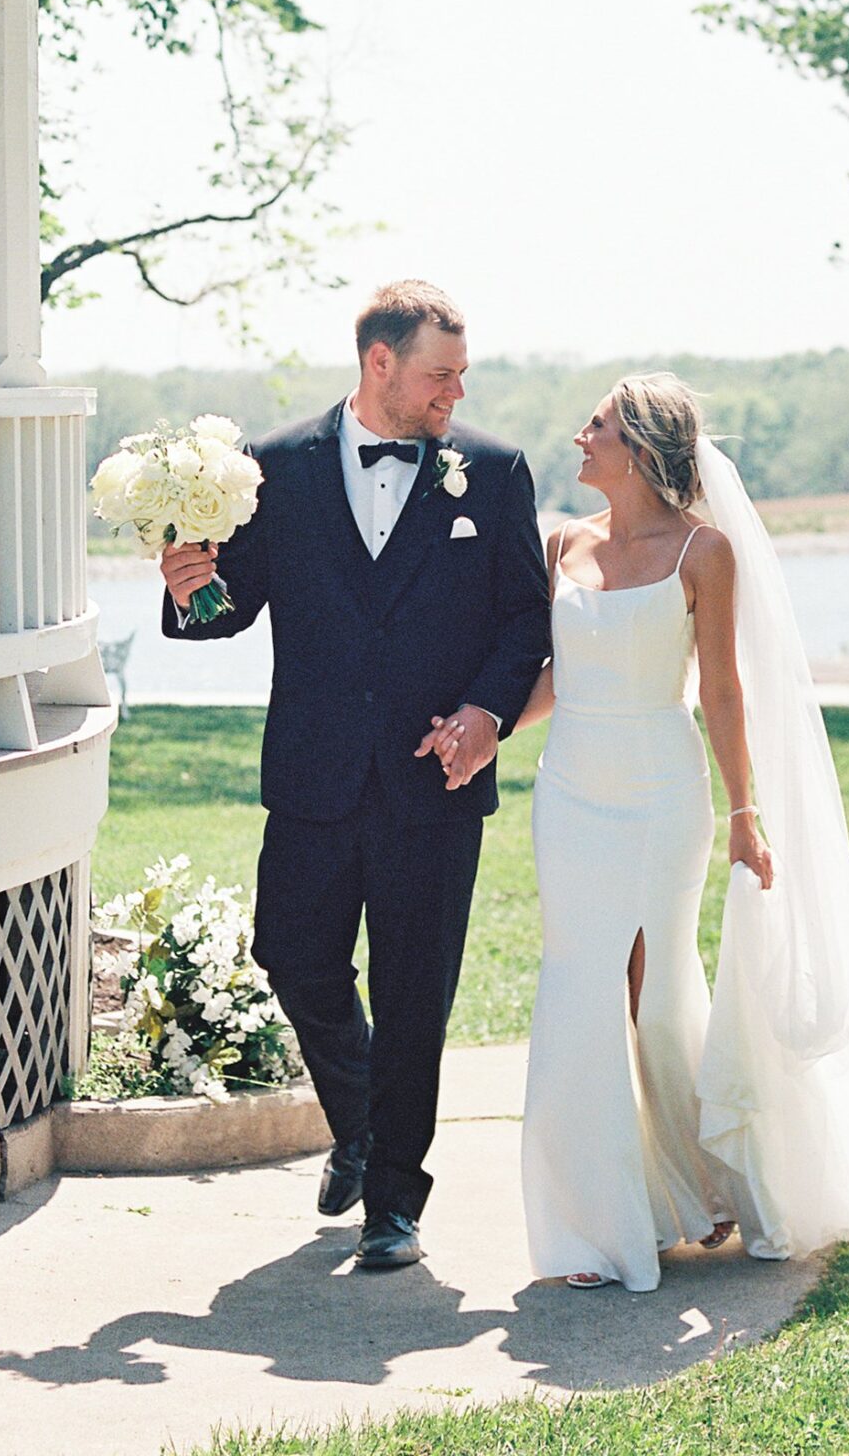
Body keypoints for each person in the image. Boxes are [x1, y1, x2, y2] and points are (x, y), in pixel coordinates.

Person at [494, 372, 849, 1291]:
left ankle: (706, 1181)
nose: (576, 438)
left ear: (636, 444)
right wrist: (486, 733)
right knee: (579, 986)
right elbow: (558, 673)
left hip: (663, 791)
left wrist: (746, 815)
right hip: (572, 792)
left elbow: (719, 690)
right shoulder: (561, 544)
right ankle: (598, 1224)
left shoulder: (703, 553)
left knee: (659, 990)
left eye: (594, 426)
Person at [160, 280, 550, 1273]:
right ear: (379, 363)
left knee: (416, 992)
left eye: (459, 376)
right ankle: (358, 1123)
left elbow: (524, 622)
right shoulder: (269, 469)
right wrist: (188, 586)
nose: (453, 394)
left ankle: (393, 1203)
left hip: (436, 780)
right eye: (438, 375)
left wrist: (484, 714)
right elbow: (227, 610)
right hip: (313, 775)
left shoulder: (494, 474)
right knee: (291, 954)